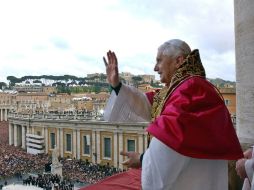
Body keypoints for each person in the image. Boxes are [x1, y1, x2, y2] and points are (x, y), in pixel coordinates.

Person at [84, 39, 244, 190]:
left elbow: (164, 156)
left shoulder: (190, 92)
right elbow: (145, 105)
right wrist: (117, 85)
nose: (155, 68)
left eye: (159, 60)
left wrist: (141, 160)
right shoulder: (182, 88)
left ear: (179, 61)